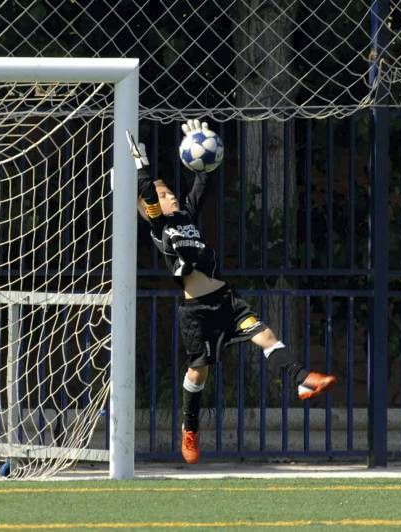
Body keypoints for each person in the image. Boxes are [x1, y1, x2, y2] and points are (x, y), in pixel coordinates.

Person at [127, 121, 336, 465]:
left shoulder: (186, 216)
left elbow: (203, 182)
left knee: (264, 334)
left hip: (227, 300)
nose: (172, 196)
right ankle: (190, 428)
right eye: (165, 196)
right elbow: (148, 195)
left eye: (170, 192)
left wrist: (204, 152)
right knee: (199, 371)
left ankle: (302, 379)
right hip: (197, 312)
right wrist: (142, 166)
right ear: (152, 206)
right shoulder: (159, 225)